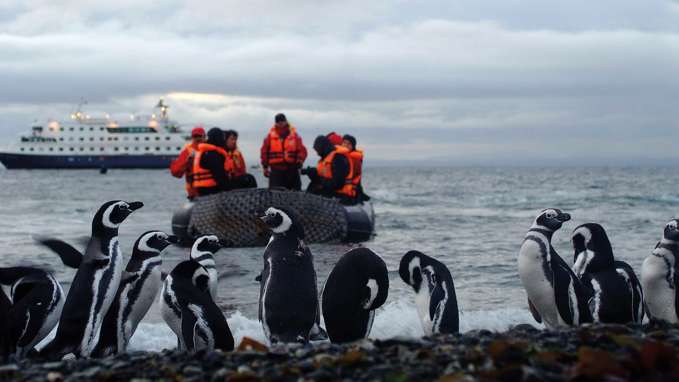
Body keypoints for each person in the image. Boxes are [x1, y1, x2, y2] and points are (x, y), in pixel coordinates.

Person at [303, 135, 357, 204]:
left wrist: (318, 179)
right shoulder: (326, 157)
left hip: (343, 195)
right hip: (332, 191)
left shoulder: (338, 158)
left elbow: (338, 184)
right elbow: (323, 176)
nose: (317, 153)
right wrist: (310, 172)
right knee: (312, 187)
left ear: (322, 147)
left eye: (317, 150)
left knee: (314, 192)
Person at [260, 113, 307, 190]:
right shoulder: (269, 137)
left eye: (282, 121)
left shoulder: (295, 135)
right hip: (276, 170)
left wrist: (300, 161)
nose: (280, 123)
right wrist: (265, 166)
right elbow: (264, 151)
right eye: (278, 121)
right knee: (275, 194)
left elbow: (302, 150)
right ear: (276, 123)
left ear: (286, 121)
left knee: (295, 193)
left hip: (292, 169)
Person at [192, 127, 230, 196]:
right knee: (248, 178)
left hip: (200, 189)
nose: (223, 140)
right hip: (211, 189)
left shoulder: (202, 152)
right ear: (218, 138)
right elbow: (220, 179)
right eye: (222, 137)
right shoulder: (213, 154)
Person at [170, 126, 205, 199]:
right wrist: (187, 161)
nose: (198, 138)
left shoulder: (209, 149)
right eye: (195, 136)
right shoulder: (187, 152)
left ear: (204, 136)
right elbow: (175, 173)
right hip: (194, 192)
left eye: (200, 136)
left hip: (210, 190)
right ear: (192, 137)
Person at [341, 134, 369, 201]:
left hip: (351, 190)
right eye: (344, 143)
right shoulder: (340, 156)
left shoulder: (355, 159)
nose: (346, 145)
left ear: (353, 146)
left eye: (349, 144)